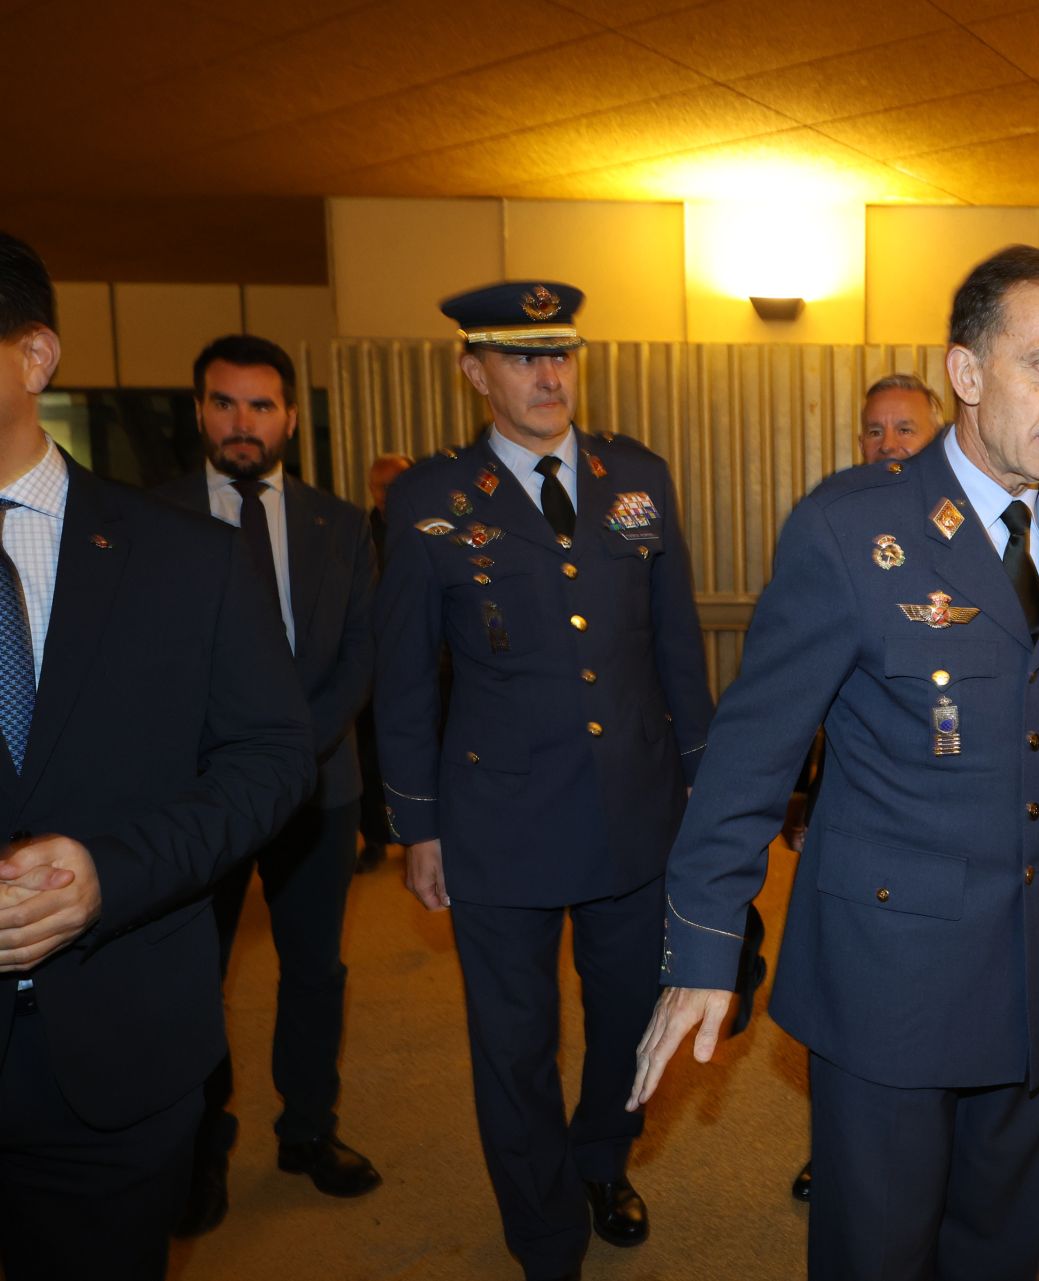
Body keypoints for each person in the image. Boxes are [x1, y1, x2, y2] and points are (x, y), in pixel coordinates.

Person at [629, 244, 1039, 1280]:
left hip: (1038, 964)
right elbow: (751, 755)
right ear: (968, 375)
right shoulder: (851, 528)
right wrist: (703, 946)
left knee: (1003, 1240)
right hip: (892, 971)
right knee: (879, 1251)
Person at [374, 279, 712, 1281]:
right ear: (474, 371)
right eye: (521, 357)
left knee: (627, 1016)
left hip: (633, 812)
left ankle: (602, 1159)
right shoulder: (431, 499)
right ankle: (543, 1230)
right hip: (498, 821)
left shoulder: (636, 477)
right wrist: (417, 826)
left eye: (560, 353)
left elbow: (677, 649)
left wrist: (706, 797)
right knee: (514, 1046)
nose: (547, 374)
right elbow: (402, 677)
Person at [0, 232, 314, 1281]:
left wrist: (110, 875)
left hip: (116, 1048)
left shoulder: (189, 560)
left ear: (33, 356)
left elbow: (272, 761)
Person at [154, 335, 382, 1234]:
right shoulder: (151, 516)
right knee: (191, 975)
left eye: (260, 406)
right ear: (199, 409)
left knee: (315, 970)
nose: (241, 423)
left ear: (289, 416)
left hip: (318, 790)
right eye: (223, 403)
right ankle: (201, 1146)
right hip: (195, 798)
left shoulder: (338, 523)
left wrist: (292, 760)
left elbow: (357, 653)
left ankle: (308, 1131)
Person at [782, 370, 945, 1206]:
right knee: (843, 1002)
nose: (886, 444)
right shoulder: (831, 522)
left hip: (942, 822)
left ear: (938, 433)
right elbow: (799, 687)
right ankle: (838, 1148)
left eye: (903, 429)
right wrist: (802, 798)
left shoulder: (965, 532)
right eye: (873, 430)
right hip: (851, 807)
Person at [356, 452, 412, 872]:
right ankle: (375, 838)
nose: (387, 496)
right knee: (371, 757)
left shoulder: (431, 528)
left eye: (396, 486)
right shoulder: (357, 534)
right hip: (374, 664)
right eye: (381, 488)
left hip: (431, 663)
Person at [859, 371, 943, 464]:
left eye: (905, 431)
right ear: (861, 444)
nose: (887, 446)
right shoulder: (845, 478)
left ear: (937, 441)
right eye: (875, 433)